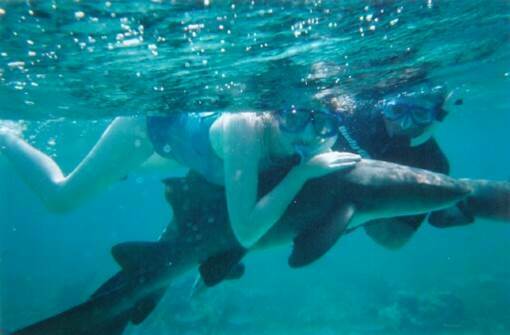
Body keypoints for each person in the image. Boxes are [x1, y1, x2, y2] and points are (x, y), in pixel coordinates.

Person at [0, 108, 360, 249]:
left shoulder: (315, 138)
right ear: (272, 112)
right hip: (149, 132)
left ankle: (113, 169)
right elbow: (247, 231)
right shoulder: (245, 130)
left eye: (323, 125)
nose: (309, 138)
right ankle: (7, 136)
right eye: (293, 120)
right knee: (61, 199)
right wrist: (300, 175)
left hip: (195, 156)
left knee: (118, 173)